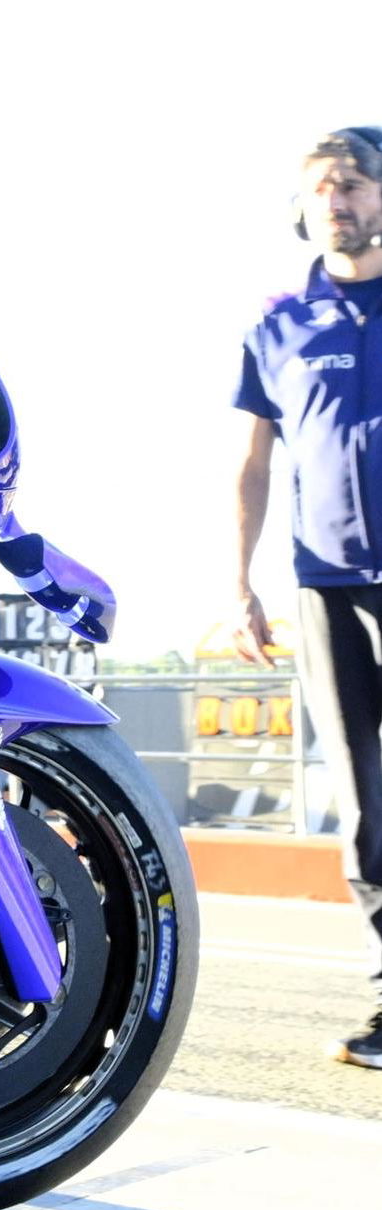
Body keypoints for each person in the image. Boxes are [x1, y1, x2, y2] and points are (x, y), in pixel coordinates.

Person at [231, 127, 382, 1067]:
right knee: (364, 803)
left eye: (355, 183)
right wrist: (240, 583)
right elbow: (252, 466)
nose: (337, 200)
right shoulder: (279, 326)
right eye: (322, 186)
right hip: (326, 584)